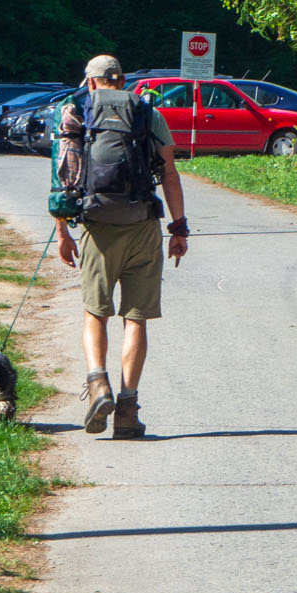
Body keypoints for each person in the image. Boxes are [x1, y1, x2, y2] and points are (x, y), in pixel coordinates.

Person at [53, 55, 189, 439]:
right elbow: (169, 174)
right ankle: (127, 411)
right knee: (136, 317)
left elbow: (66, 173)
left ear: (91, 82)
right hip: (142, 225)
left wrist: (63, 232)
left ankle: (99, 385)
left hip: (97, 228)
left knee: (95, 312)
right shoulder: (147, 114)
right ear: (123, 80)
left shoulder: (78, 111)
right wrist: (179, 229)